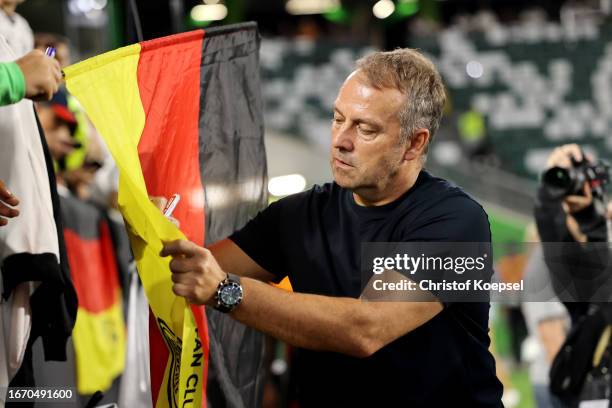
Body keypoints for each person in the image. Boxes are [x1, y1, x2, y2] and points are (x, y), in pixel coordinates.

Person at [160, 49, 504, 407]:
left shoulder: (456, 221)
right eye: (338, 119)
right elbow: (194, 267)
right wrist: (157, 221)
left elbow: (366, 329)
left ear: (414, 143)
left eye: (365, 128)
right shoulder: (297, 215)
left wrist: (225, 291)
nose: (341, 139)